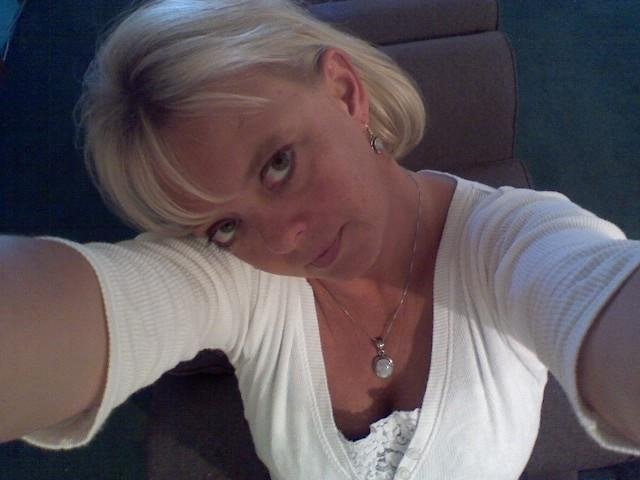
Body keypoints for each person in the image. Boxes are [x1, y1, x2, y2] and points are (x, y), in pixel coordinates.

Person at [1, 0, 639, 478]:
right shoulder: (242, 283)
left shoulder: (511, 242)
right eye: (225, 226)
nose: (284, 241)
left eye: (278, 164)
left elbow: (589, 290)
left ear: (345, 92)